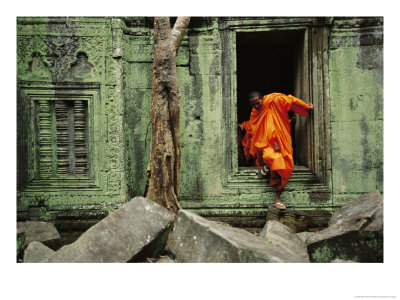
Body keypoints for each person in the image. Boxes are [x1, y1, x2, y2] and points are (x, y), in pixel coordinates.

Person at [247, 91, 314, 210]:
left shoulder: (275, 99)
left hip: (282, 139)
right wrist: (273, 142)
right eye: (253, 105)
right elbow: (256, 129)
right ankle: (267, 168)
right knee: (272, 158)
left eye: (257, 103)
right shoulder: (255, 111)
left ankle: (276, 198)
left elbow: (292, 100)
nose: (256, 106)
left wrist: (306, 107)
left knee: (287, 167)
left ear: (263, 98)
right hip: (267, 143)